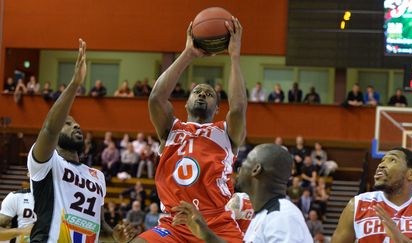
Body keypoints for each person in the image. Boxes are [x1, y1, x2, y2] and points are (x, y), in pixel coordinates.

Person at [134, 17, 247, 242]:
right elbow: (156, 98)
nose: (203, 94)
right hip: (174, 223)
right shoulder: (171, 128)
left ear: (217, 109)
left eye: (209, 93)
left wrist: (234, 56)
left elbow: (238, 108)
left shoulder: (225, 133)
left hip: (216, 222)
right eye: (197, 92)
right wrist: (188, 53)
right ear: (185, 104)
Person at [26, 39, 134, 242]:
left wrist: (115, 236)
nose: (76, 126)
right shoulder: (46, 164)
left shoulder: (97, 176)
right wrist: (75, 84)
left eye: (77, 124)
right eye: (67, 123)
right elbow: (49, 128)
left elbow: (100, 227)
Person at [169, 144, 313, 243]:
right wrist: (206, 234)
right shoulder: (262, 217)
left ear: (256, 170)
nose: (239, 168)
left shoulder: (282, 216)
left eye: (246, 162)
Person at [332, 147, 412, 243]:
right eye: (382, 160)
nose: (381, 165)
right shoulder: (357, 204)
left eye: (392, 160)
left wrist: (399, 237)